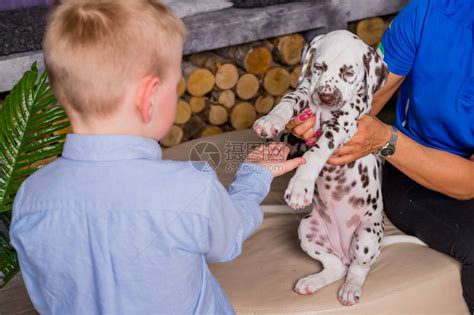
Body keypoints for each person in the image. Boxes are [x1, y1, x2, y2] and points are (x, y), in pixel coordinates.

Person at [9, 1, 305, 314]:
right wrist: (254, 175)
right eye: (174, 86)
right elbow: (228, 238)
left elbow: (47, 295)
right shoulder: (191, 189)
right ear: (148, 97)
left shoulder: (30, 198)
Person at [286, 0, 474, 312]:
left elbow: (468, 184)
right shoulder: (428, 11)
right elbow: (363, 103)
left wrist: (384, 139)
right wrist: (314, 122)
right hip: (410, 168)